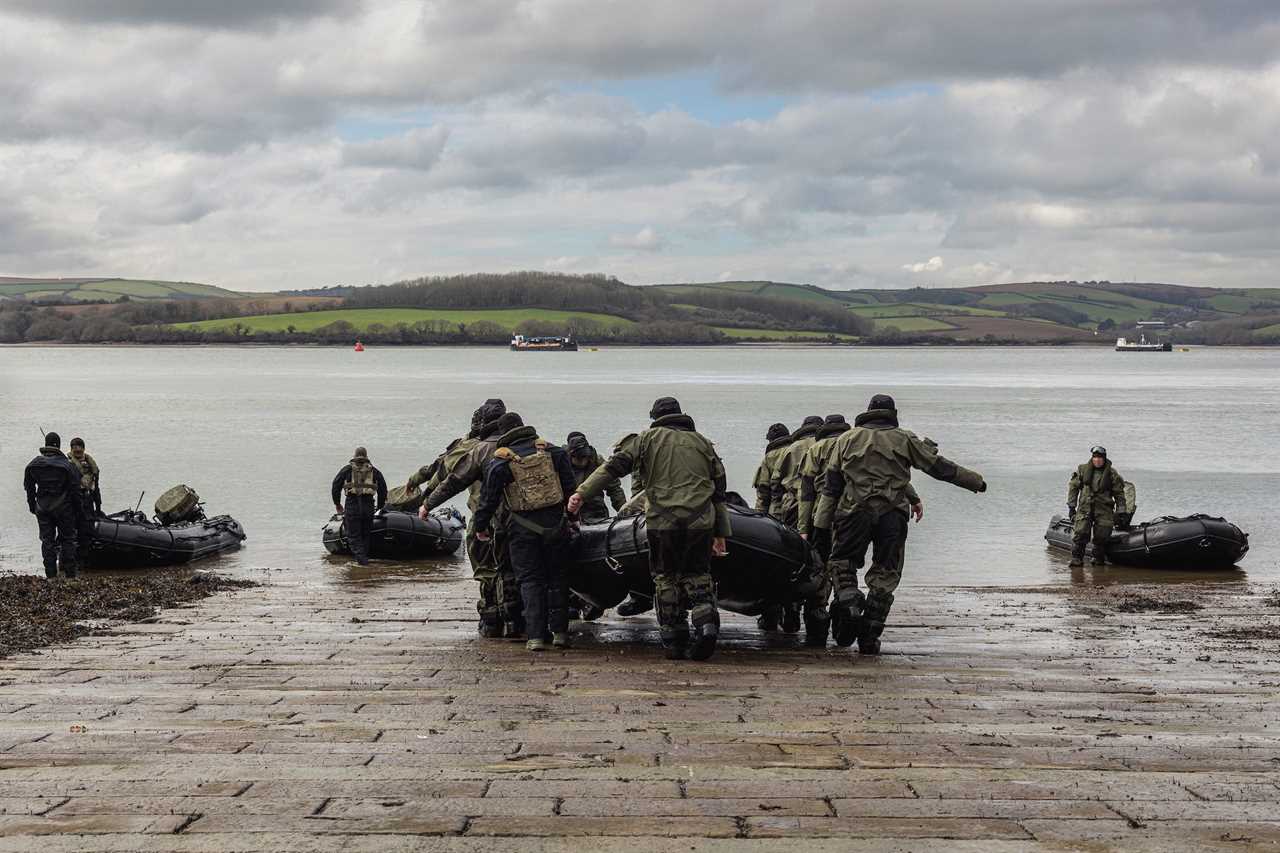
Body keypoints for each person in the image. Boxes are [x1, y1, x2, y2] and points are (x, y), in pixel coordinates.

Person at [816, 394, 986, 654]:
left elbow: (831, 487)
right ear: (892, 414)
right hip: (892, 514)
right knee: (887, 572)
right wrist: (975, 481)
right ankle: (870, 637)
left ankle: (849, 601)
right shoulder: (905, 438)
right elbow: (939, 468)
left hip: (853, 512)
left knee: (842, 561)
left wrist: (820, 526)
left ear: (868, 412)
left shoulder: (845, 440)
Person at [570, 397, 731, 661]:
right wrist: (721, 533)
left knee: (665, 577)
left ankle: (674, 639)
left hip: (663, 522)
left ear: (655, 417)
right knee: (698, 574)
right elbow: (719, 491)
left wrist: (581, 493)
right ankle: (707, 627)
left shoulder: (645, 440)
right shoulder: (703, 443)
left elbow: (612, 469)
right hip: (700, 521)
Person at [474, 413, 578, 652]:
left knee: (530, 581)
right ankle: (560, 632)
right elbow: (571, 490)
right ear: (524, 427)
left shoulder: (500, 462)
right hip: (556, 525)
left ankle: (535, 637)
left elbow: (488, 500)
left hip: (522, 529)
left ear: (504, 434)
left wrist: (481, 527)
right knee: (558, 577)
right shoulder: (553, 452)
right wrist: (572, 519)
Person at [422, 402, 526, 638]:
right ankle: (516, 621)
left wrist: (427, 503)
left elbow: (451, 479)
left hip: (483, 519)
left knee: (486, 570)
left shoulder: (475, 448)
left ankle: (490, 622)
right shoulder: (526, 445)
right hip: (519, 519)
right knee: (515, 569)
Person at [24, 431, 83, 579]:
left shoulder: (32, 465)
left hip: (42, 508)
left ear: (46, 445)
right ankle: (70, 577)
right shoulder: (68, 466)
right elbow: (75, 491)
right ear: (59, 445)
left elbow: (29, 489)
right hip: (64, 509)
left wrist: (33, 507)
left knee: (47, 541)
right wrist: (79, 511)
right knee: (68, 540)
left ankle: (50, 576)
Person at [1067, 446, 1127, 568]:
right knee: (1080, 533)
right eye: (1095, 457)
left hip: (1104, 509)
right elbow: (1073, 488)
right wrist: (1072, 507)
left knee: (1102, 535)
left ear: (1104, 459)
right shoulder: (1083, 470)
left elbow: (1119, 494)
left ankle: (1098, 559)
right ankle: (1077, 559)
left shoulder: (1112, 474)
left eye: (1100, 458)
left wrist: (1122, 512)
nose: (1097, 460)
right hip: (1085, 507)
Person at [331, 447, 387, 566]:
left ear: (355, 456)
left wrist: (337, 504)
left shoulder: (347, 470)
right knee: (365, 535)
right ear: (366, 457)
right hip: (369, 505)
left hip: (352, 504)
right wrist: (380, 507)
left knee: (354, 537)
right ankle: (363, 560)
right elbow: (383, 490)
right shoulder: (374, 471)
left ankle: (363, 564)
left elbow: (335, 486)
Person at [769, 415, 823, 525]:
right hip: (822, 504)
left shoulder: (791, 448)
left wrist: (774, 514)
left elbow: (775, 483)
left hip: (794, 505)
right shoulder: (827, 444)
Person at [565, 432, 626, 523]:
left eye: (585, 457)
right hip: (571, 509)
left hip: (596, 509)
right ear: (571, 456)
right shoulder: (563, 462)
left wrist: (624, 512)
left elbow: (614, 489)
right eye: (579, 459)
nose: (582, 462)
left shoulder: (598, 462)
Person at [67, 437, 102, 561]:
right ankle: (71, 560)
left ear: (83, 449)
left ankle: (85, 559)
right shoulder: (68, 464)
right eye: (75, 449)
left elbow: (96, 488)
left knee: (88, 532)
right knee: (72, 532)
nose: (77, 451)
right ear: (71, 450)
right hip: (74, 502)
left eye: (79, 449)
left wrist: (98, 507)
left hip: (88, 501)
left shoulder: (91, 466)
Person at [752, 423, 791, 513]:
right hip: (796, 507)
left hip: (777, 509)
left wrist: (759, 514)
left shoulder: (770, 457)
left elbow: (763, 489)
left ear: (770, 440)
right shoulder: (796, 450)